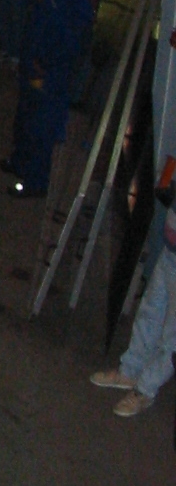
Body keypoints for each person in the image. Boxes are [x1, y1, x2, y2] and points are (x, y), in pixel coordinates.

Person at [90, 165, 176, 417]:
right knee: (150, 311)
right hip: (170, 250)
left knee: (172, 336)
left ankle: (146, 389)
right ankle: (130, 370)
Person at [1, 0, 89, 198]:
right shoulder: (39, 6)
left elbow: (70, 47)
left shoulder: (55, 12)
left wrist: (46, 66)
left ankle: (35, 183)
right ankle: (19, 163)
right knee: (24, 122)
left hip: (47, 83)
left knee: (40, 131)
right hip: (32, 78)